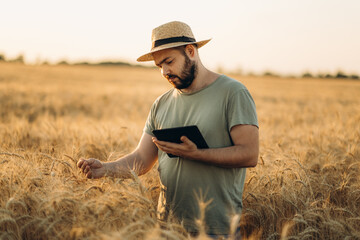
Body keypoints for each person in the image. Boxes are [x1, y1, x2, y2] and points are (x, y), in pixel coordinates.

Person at [77, 21, 259, 238]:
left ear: (191, 51)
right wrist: (104, 169)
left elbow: (249, 154)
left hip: (217, 230)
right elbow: (142, 159)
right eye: (158, 66)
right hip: (168, 228)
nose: (164, 71)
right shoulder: (161, 104)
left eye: (169, 61)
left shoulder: (233, 93)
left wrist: (197, 154)